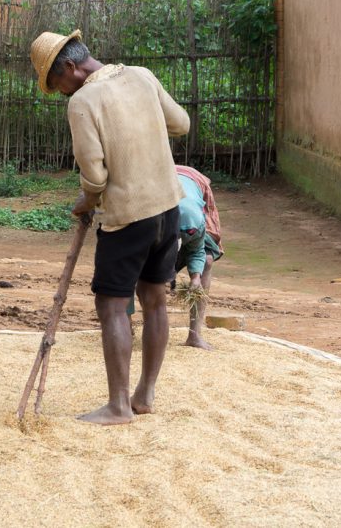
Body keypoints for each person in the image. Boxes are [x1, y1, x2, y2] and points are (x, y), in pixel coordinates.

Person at [30, 29, 189, 425]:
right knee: (155, 300)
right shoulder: (142, 75)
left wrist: (85, 201)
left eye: (57, 85)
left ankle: (118, 406)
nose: (61, 93)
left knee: (112, 306)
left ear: (69, 68)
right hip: (169, 208)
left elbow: (95, 175)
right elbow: (181, 123)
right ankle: (144, 395)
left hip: (128, 216)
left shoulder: (83, 101)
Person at [126, 166, 225, 349]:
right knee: (132, 269)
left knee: (207, 262)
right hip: (158, 186)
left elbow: (197, 251)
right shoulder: (145, 220)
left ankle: (195, 335)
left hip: (194, 182)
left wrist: (195, 276)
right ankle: (126, 325)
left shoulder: (197, 222)